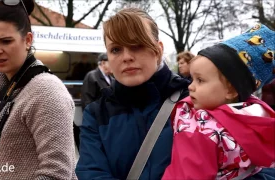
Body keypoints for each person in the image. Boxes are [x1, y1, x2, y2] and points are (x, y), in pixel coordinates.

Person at [0, 0, 77, 179]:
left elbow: (57, 173)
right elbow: (4, 151)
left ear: (28, 40)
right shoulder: (5, 86)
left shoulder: (47, 92)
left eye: (6, 41)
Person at [76, 8, 190, 180]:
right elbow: (91, 173)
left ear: (158, 49)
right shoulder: (96, 114)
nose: (127, 57)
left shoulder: (193, 101)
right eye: (116, 50)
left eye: (137, 46)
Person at [162, 24, 275, 180]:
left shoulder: (200, 129)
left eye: (200, 80)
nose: (190, 86)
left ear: (231, 91)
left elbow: (186, 175)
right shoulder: (256, 117)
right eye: (193, 79)